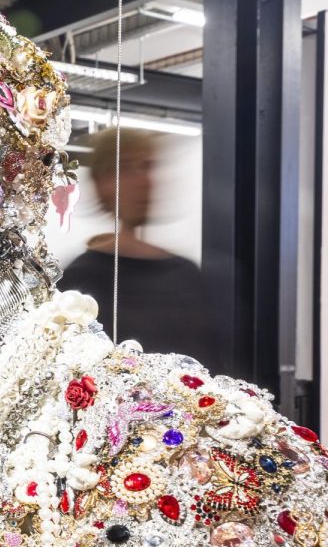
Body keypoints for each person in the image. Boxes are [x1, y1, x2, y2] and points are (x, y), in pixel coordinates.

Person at [58, 128, 222, 370]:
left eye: (148, 166)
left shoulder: (186, 275)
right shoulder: (79, 280)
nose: (144, 180)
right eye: (126, 168)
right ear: (101, 182)